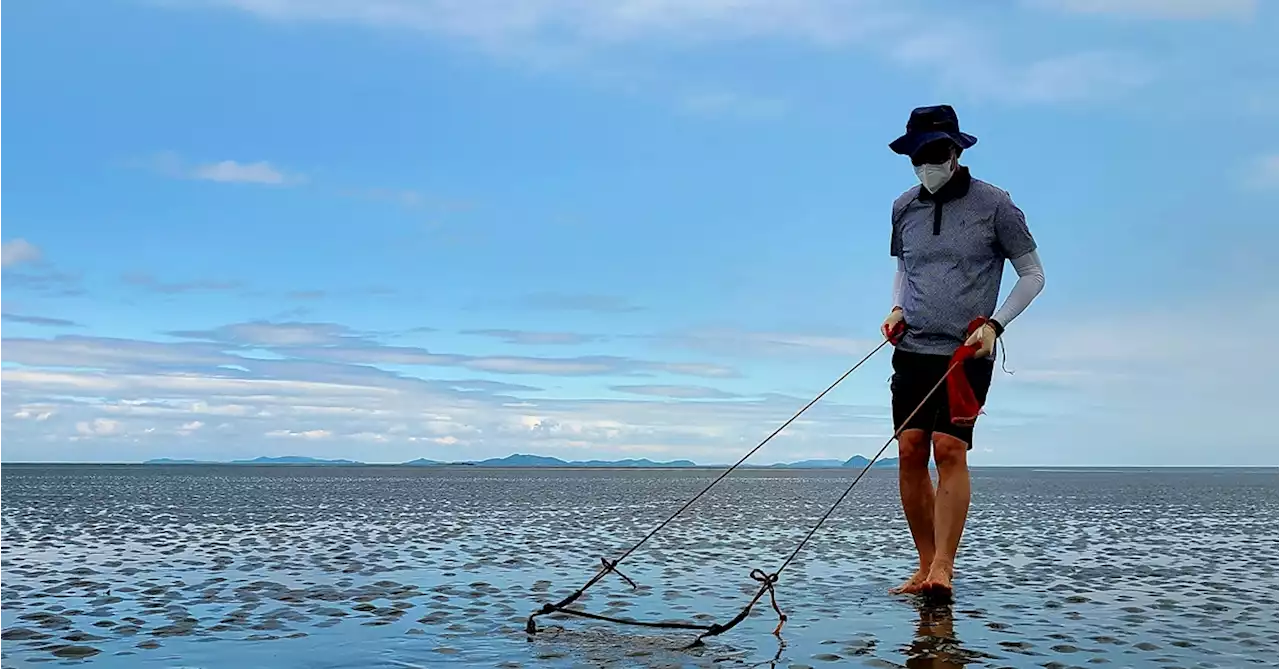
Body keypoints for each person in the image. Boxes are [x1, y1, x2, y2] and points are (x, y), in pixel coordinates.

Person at [879, 104, 1045, 600]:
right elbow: (905, 269)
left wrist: (995, 325)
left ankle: (945, 569)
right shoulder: (904, 206)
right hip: (912, 346)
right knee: (910, 450)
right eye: (915, 156)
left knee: (948, 448)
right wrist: (895, 308)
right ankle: (924, 565)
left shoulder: (996, 205)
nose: (924, 164)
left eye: (932, 153)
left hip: (966, 351)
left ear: (954, 152)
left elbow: (1033, 275)